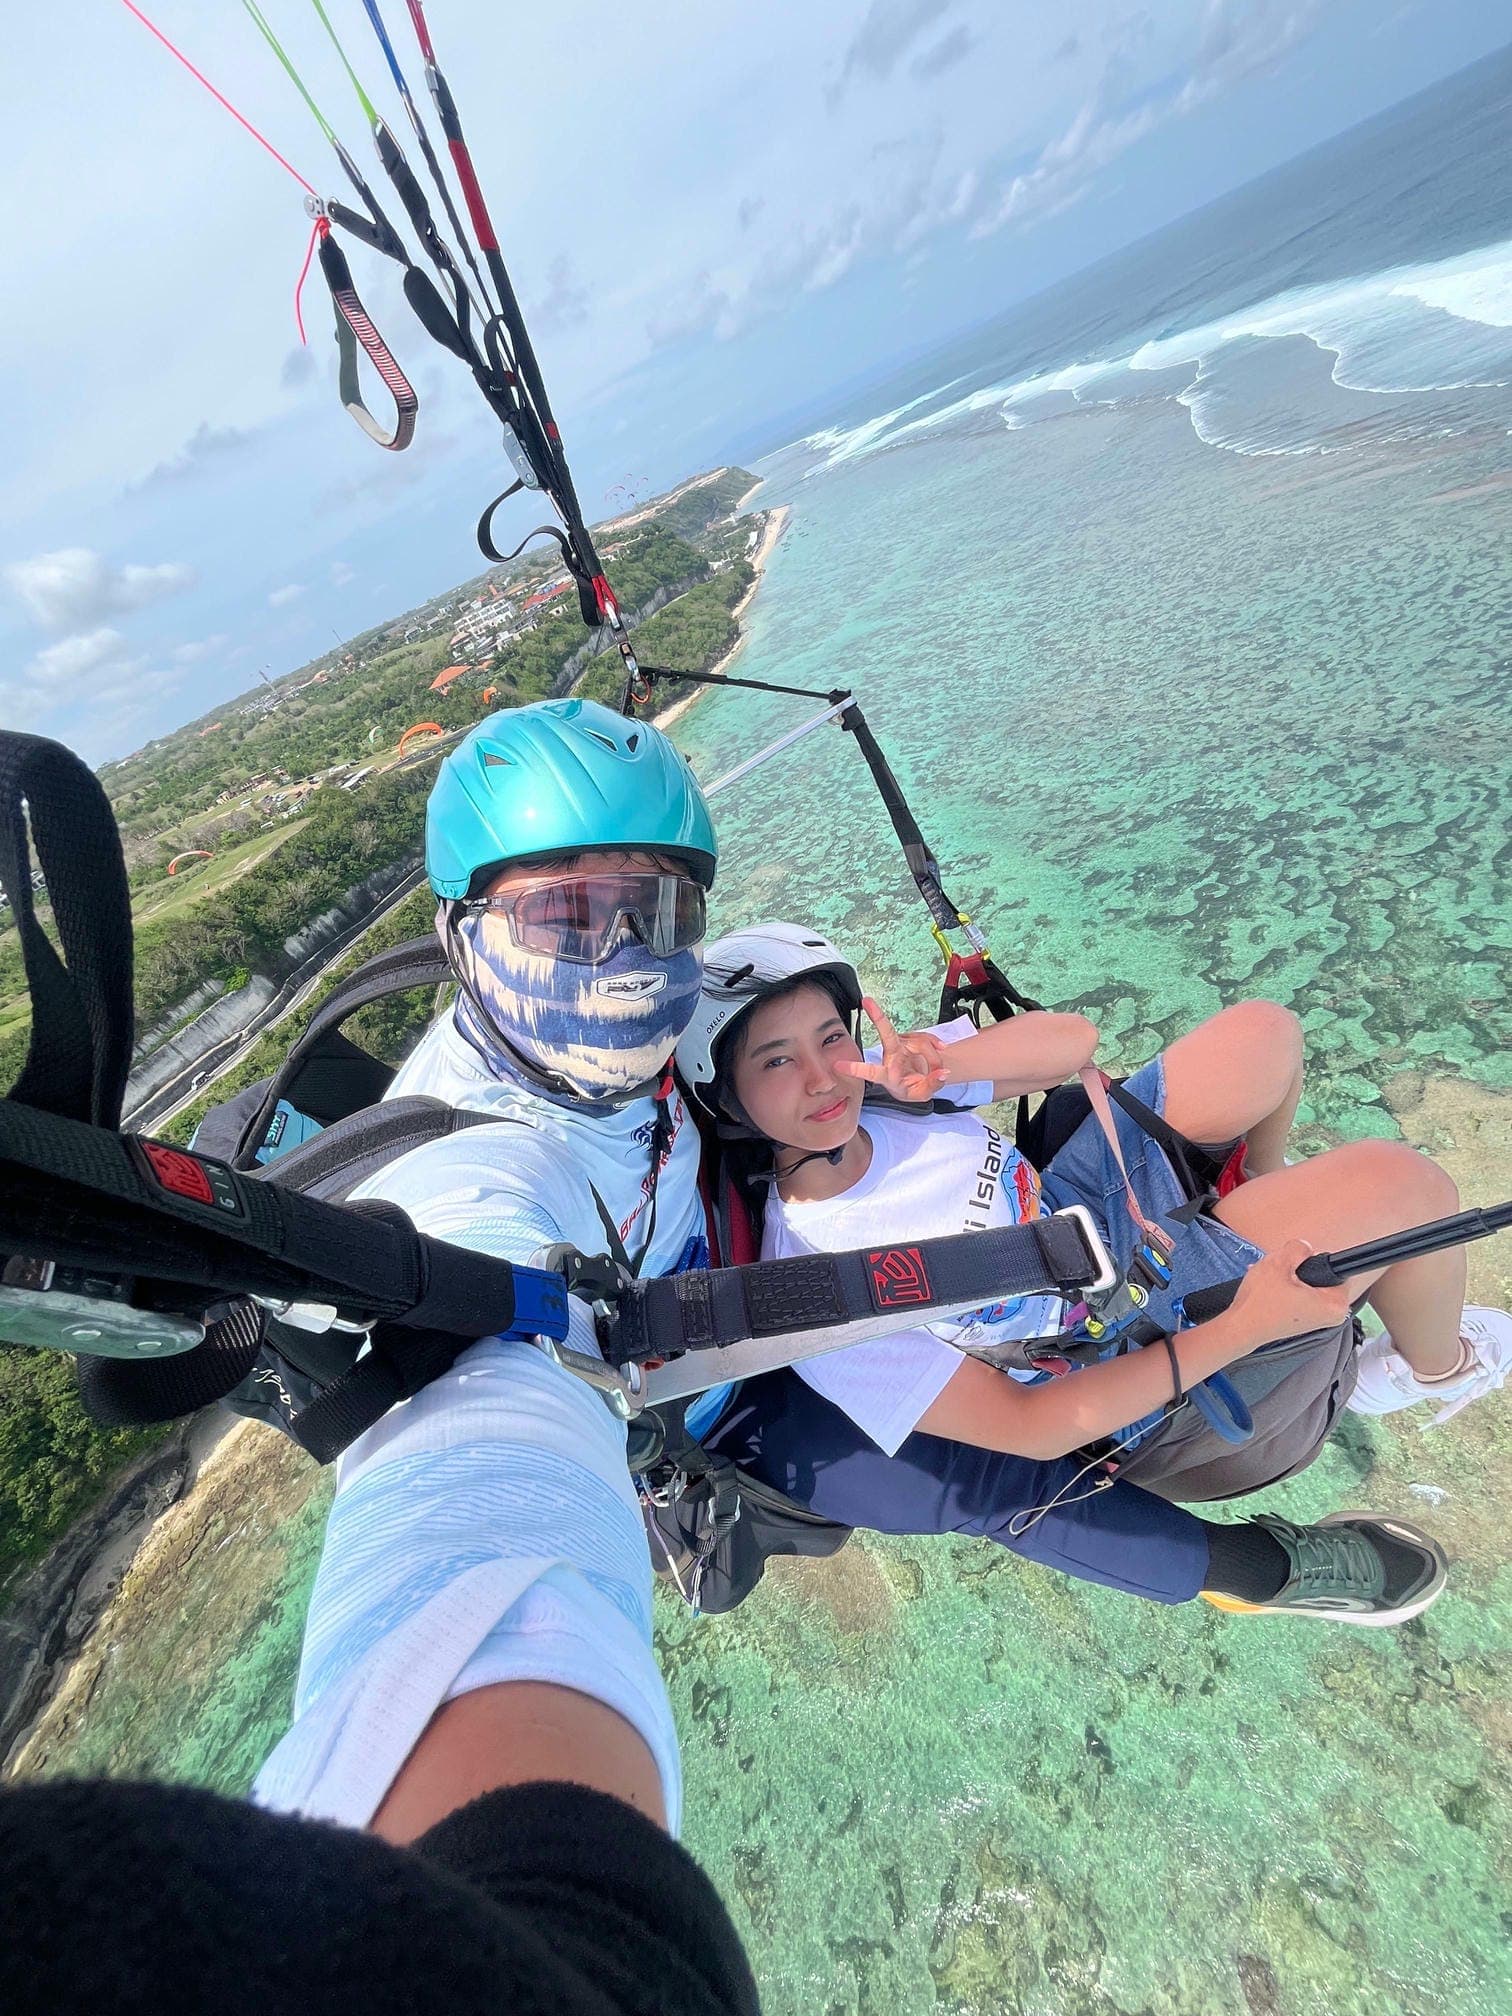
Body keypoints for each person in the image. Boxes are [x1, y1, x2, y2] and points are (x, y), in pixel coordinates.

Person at [681, 922, 1509, 1619]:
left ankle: (1265, 1191)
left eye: (831, 1037)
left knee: (1264, 1033)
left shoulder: (896, 1096)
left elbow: (1074, 1043)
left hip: (1085, 1208)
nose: (825, 1076)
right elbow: (1033, 1428)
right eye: (777, 1061)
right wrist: (1248, 1325)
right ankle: (1433, 1367)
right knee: (1410, 1189)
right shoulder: (823, 1287)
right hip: (1107, 1328)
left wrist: (945, 1064)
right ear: (728, 1099)